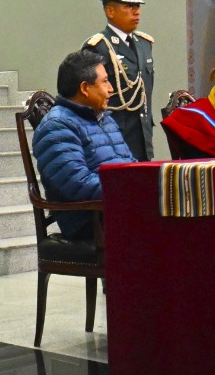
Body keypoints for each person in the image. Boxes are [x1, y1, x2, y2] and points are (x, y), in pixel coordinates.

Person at [31, 51, 136, 240]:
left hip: (119, 210)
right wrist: (131, 191)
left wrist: (145, 183)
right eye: (105, 82)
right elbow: (77, 184)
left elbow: (131, 165)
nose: (111, 89)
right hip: (91, 221)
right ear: (85, 88)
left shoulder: (104, 119)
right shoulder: (56, 126)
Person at [82, 0, 155, 161]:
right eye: (129, 6)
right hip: (113, 138)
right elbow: (89, 99)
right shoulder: (98, 47)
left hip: (142, 136)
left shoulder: (144, 43)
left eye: (137, 6)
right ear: (110, 11)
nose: (136, 11)